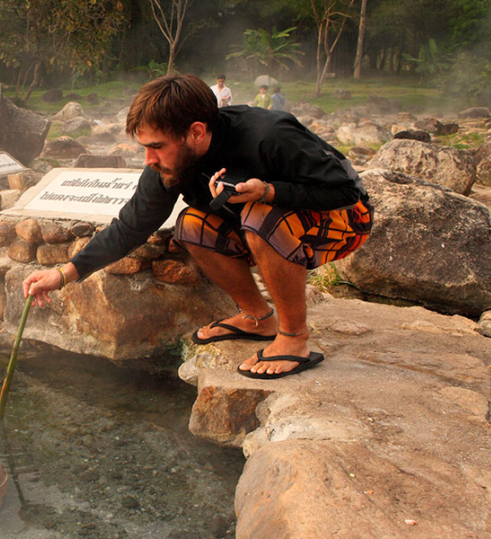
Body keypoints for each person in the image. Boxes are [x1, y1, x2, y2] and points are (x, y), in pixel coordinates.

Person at [23, 74, 373, 379]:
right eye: (145, 147)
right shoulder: (170, 165)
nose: (149, 160)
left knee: (260, 214)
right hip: (265, 228)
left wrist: (269, 191)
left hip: (345, 221)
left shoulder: (268, 135)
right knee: (190, 224)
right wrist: (63, 274)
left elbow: (346, 191)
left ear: (196, 132)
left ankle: (294, 338)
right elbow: (131, 226)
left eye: (156, 147)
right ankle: (257, 318)